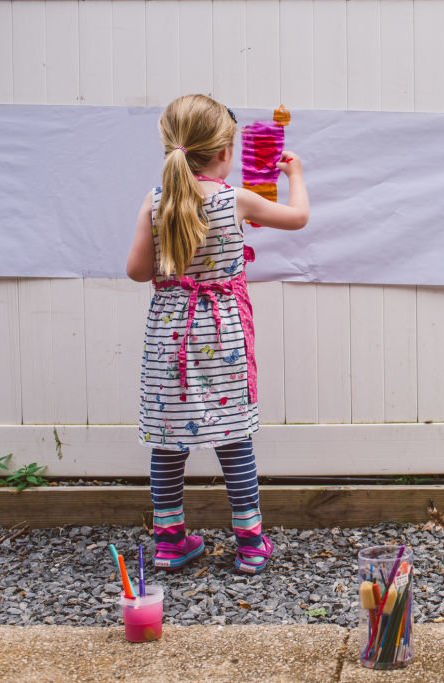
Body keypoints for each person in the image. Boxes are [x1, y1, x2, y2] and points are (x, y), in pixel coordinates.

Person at [125, 94, 309, 575]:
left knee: (168, 440)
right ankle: (250, 543)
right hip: (222, 333)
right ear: (225, 152)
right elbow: (297, 218)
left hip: (170, 336)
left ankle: (169, 541)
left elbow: (136, 271)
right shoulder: (235, 200)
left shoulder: (156, 200)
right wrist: (296, 176)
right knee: (234, 437)